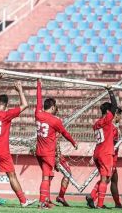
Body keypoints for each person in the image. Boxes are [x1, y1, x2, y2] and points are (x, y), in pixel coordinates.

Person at [0, 74, 36, 207]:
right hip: (2, 151)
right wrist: (20, 90)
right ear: (7, 104)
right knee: (12, 176)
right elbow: (25, 105)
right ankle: (23, 201)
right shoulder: (7, 114)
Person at [35, 79, 78, 209]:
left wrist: (38, 85)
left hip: (39, 151)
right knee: (46, 177)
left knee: (48, 176)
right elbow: (65, 133)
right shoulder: (55, 121)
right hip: (49, 153)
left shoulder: (38, 113)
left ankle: (46, 200)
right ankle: (43, 202)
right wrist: (73, 142)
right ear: (53, 107)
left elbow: (38, 100)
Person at [86, 87, 117, 209]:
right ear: (108, 112)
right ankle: (99, 204)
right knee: (106, 178)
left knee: (104, 178)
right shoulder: (106, 121)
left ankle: (92, 196)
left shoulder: (96, 123)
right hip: (105, 153)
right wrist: (110, 91)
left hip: (98, 152)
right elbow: (114, 105)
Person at [111, 108, 122, 208]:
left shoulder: (115, 127)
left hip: (112, 157)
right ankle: (92, 196)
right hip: (111, 157)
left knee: (114, 179)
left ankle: (117, 203)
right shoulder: (112, 127)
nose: (121, 119)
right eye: (121, 116)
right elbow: (112, 143)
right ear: (116, 115)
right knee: (105, 179)